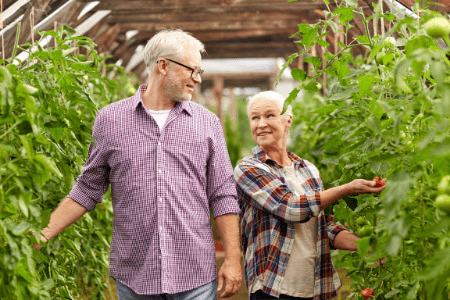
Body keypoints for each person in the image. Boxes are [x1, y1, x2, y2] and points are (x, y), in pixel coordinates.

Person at [34, 29, 242, 300]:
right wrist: (40, 235)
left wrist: (233, 259)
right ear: (163, 65)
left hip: (195, 273)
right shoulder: (110, 120)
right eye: (192, 70)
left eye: (199, 71)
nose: (198, 79)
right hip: (135, 276)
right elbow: (87, 189)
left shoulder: (207, 123)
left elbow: (223, 194)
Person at [233, 91, 385, 300]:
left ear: (288, 121)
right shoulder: (248, 168)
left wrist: (363, 246)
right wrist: (347, 189)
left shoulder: (308, 170)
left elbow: (323, 226)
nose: (261, 124)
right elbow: (290, 208)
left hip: (313, 287)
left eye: (270, 115)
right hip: (272, 288)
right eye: (254, 118)